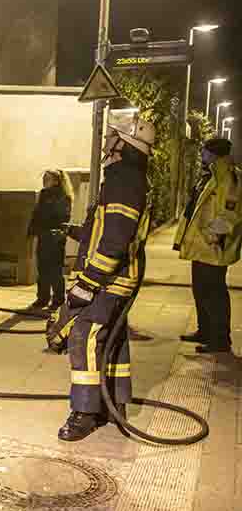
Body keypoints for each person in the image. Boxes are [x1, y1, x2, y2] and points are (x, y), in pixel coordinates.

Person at [49, 111, 154, 442]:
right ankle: (114, 404)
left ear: (123, 143)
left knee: (85, 337)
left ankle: (85, 413)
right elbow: (107, 232)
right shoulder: (130, 178)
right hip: (118, 277)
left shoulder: (124, 180)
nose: (106, 142)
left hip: (108, 279)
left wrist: (88, 283)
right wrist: (76, 232)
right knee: (112, 340)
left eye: (111, 136)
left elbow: (115, 240)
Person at [174, 138, 240, 355]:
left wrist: (214, 236)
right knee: (201, 290)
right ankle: (205, 331)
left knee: (214, 293)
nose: (201, 154)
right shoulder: (211, 175)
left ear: (214, 154)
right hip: (202, 246)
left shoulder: (228, 177)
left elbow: (230, 212)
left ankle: (220, 340)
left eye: (204, 151)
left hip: (213, 247)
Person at [27, 170, 74, 310]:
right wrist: (32, 230)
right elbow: (36, 214)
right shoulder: (44, 194)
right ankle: (42, 298)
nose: (44, 181)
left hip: (55, 237)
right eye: (44, 178)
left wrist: (52, 229)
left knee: (55, 270)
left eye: (47, 178)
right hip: (43, 235)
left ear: (56, 181)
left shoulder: (63, 196)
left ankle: (58, 300)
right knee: (42, 269)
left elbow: (62, 217)